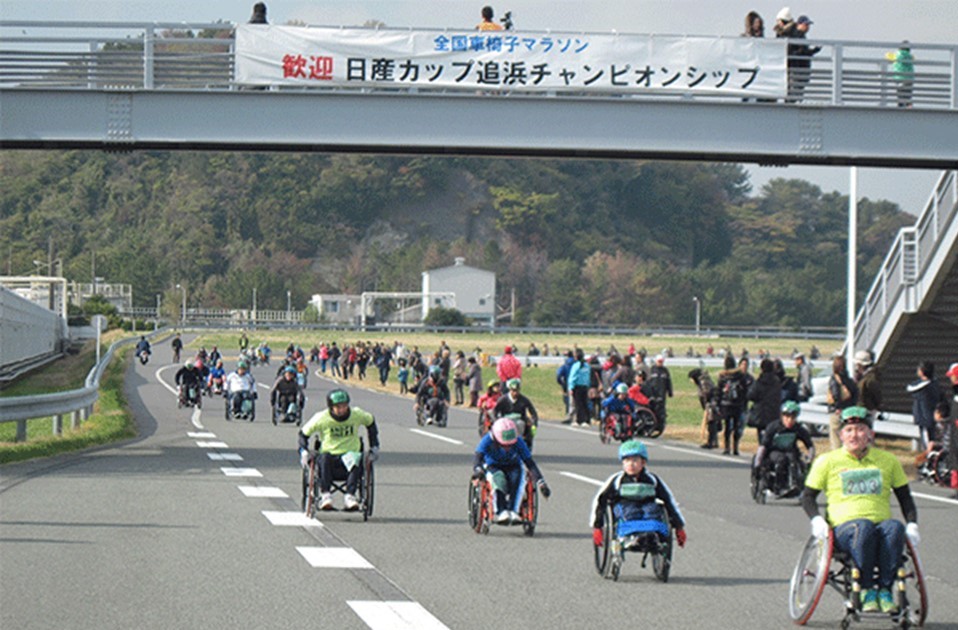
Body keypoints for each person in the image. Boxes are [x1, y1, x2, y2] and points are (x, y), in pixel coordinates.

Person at [802, 406, 920, 615]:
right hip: (845, 530)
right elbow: (808, 497)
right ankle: (866, 589)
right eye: (849, 431)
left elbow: (905, 498)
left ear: (870, 434)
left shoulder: (888, 461)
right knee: (862, 528)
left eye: (860, 429)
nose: (854, 435)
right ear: (841, 435)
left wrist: (911, 524)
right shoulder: (827, 461)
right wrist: (816, 521)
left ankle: (884, 590)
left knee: (894, 528)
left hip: (881, 526)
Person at [590, 440, 687, 552]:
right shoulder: (617, 480)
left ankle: (651, 536)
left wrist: (678, 526)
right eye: (627, 460)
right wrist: (597, 526)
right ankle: (631, 537)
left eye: (635, 460)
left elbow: (668, 501)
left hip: (647, 504)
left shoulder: (652, 480)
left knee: (653, 510)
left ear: (643, 462)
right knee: (629, 512)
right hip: (624, 505)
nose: (631, 464)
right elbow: (601, 500)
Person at [298, 389, 380, 511]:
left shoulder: (356, 414)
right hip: (329, 457)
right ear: (331, 407)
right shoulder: (321, 417)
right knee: (324, 458)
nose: (342, 410)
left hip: (350, 455)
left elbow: (371, 421)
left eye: (345, 406)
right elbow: (303, 434)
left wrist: (374, 445)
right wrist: (303, 451)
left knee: (355, 458)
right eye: (338, 407)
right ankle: (325, 495)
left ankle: (350, 496)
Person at [472, 417, 550, 524]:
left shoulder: (519, 442)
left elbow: (530, 463)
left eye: (510, 445)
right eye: (504, 445)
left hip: (513, 466)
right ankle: (501, 510)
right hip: (493, 466)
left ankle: (514, 510)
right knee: (498, 480)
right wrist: (477, 470)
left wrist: (541, 483)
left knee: (518, 480)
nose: (507, 448)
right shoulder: (487, 440)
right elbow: (478, 457)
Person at [754, 401, 815, 495]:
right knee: (781, 460)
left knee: (793, 459)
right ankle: (779, 485)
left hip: (790, 450)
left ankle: (795, 484)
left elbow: (809, 445)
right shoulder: (773, 427)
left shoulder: (798, 428)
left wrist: (810, 459)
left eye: (793, 418)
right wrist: (758, 462)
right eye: (787, 417)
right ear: (782, 416)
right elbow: (763, 445)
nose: (789, 420)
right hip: (773, 451)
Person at [779, 14, 821, 103]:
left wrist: (812, 51)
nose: (807, 27)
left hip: (802, 70)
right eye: (806, 25)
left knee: (798, 93)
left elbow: (804, 52)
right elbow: (793, 52)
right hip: (796, 70)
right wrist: (809, 51)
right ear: (799, 24)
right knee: (794, 93)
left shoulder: (801, 36)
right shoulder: (795, 36)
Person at [494, 378, 539, 448]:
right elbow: (495, 411)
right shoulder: (503, 399)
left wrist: (534, 424)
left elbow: (533, 412)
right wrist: (497, 420)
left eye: (517, 390)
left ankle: (518, 443)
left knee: (520, 424)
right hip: (505, 422)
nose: (515, 393)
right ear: (509, 390)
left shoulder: (524, 400)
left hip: (520, 421)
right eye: (513, 390)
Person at [826, 354, 859, 450]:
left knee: (835, 438)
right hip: (849, 411)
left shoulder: (835, 379)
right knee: (847, 437)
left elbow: (835, 394)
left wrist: (837, 407)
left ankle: (837, 459)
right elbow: (855, 394)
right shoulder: (849, 379)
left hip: (838, 411)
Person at [747, 358, 782, 446]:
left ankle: (762, 452)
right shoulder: (777, 381)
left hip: (761, 413)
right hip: (774, 413)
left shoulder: (760, 381)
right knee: (772, 434)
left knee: (762, 437)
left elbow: (751, 395)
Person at [907, 361, 941, 450]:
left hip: (925, 419)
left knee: (928, 444)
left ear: (922, 371)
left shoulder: (922, 389)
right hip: (933, 418)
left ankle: (929, 460)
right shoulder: (935, 384)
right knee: (931, 441)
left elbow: (910, 388)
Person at [717, 356, 748, 455]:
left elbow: (718, 391)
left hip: (726, 404)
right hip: (737, 404)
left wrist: (718, 404)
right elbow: (745, 391)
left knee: (727, 427)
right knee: (736, 426)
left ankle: (727, 447)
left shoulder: (723, 376)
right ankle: (735, 447)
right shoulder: (740, 376)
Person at [855, 349, 882, 424]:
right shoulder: (863, 377)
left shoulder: (870, 379)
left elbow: (876, 394)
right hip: (862, 409)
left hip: (867, 409)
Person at [647, 355, 673, 429]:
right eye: (659, 361)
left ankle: (660, 424)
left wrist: (670, 392)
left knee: (661, 409)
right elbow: (648, 381)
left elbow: (668, 382)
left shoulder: (665, 371)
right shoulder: (652, 370)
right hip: (652, 393)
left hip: (662, 393)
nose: (660, 363)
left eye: (661, 362)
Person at [885, 42, 914, 108]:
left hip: (900, 79)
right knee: (908, 96)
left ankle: (900, 107)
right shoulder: (910, 56)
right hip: (909, 79)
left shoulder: (897, 55)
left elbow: (888, 55)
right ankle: (909, 107)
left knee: (900, 96)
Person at [568, 349, 592, 427]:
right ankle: (587, 419)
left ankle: (579, 420)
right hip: (585, 386)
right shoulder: (587, 365)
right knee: (585, 403)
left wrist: (570, 387)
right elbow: (588, 377)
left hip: (577, 386)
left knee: (578, 404)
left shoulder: (576, 366)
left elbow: (572, 377)